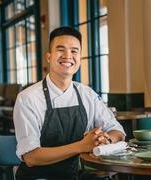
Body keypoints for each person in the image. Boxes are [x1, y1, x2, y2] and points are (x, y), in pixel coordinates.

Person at [13, 26, 125, 180]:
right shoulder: (28, 98)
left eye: (74, 51)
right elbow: (31, 157)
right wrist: (81, 146)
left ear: (80, 58)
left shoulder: (87, 94)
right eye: (60, 49)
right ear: (49, 56)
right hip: (38, 177)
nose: (68, 56)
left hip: (75, 174)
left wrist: (105, 139)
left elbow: (117, 131)